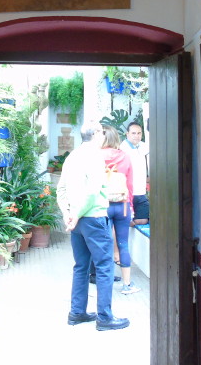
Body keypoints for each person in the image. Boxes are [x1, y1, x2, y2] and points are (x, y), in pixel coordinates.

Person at [57, 121, 130, 331]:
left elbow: (60, 190)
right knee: (105, 267)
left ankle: (77, 312)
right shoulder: (96, 157)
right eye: (102, 131)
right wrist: (76, 215)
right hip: (93, 219)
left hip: (77, 222)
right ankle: (105, 317)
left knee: (81, 267)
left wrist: (68, 215)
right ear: (97, 134)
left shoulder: (72, 157)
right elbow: (92, 192)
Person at [102, 126, 140, 295]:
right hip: (123, 205)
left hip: (103, 205)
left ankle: (106, 282)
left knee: (104, 243)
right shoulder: (125, 156)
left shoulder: (96, 156)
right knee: (123, 244)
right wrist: (130, 204)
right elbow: (130, 184)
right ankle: (127, 284)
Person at [120, 122, 150, 225]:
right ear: (127, 134)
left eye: (139, 133)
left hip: (141, 193)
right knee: (124, 221)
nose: (136, 136)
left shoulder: (144, 146)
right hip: (128, 193)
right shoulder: (122, 149)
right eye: (133, 133)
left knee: (144, 220)